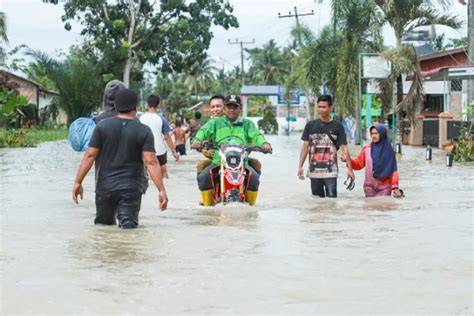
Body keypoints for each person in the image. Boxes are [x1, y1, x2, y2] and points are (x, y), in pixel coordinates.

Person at [72, 88, 168, 229]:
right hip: (131, 189)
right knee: (128, 230)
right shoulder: (143, 130)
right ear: (135, 107)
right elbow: (151, 162)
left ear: (116, 107)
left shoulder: (102, 127)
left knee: (103, 228)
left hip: (105, 187)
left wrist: (78, 182)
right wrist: (161, 190)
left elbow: (90, 155)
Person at [191, 95, 272, 206]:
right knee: (204, 177)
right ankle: (207, 206)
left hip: (242, 163)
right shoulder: (215, 122)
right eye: (229, 107)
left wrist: (264, 143)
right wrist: (197, 140)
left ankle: (251, 207)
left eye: (235, 107)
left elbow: (256, 136)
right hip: (219, 162)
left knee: (254, 177)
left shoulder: (247, 124)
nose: (232, 110)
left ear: (240, 108)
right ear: (225, 108)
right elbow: (203, 131)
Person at [297, 95, 355, 198]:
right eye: (319, 107)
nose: (321, 110)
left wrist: (350, 169)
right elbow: (305, 147)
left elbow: (344, 148)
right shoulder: (310, 125)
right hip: (314, 171)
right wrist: (300, 166)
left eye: (324, 107)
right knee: (317, 202)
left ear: (330, 107)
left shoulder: (338, 127)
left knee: (332, 200)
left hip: (331, 171)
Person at [348, 124, 402, 197]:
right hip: (369, 187)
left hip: (384, 187)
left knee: (383, 206)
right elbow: (358, 164)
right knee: (369, 207)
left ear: (382, 134)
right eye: (372, 134)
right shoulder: (367, 149)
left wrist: (395, 187)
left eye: (376, 133)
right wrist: (348, 160)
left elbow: (393, 171)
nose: (373, 136)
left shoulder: (389, 152)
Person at [139, 94, 179, 178]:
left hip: (144, 152)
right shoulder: (161, 119)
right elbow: (167, 138)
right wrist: (174, 152)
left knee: (148, 176)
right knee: (164, 175)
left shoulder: (140, 119)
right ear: (158, 105)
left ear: (147, 104)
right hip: (159, 151)